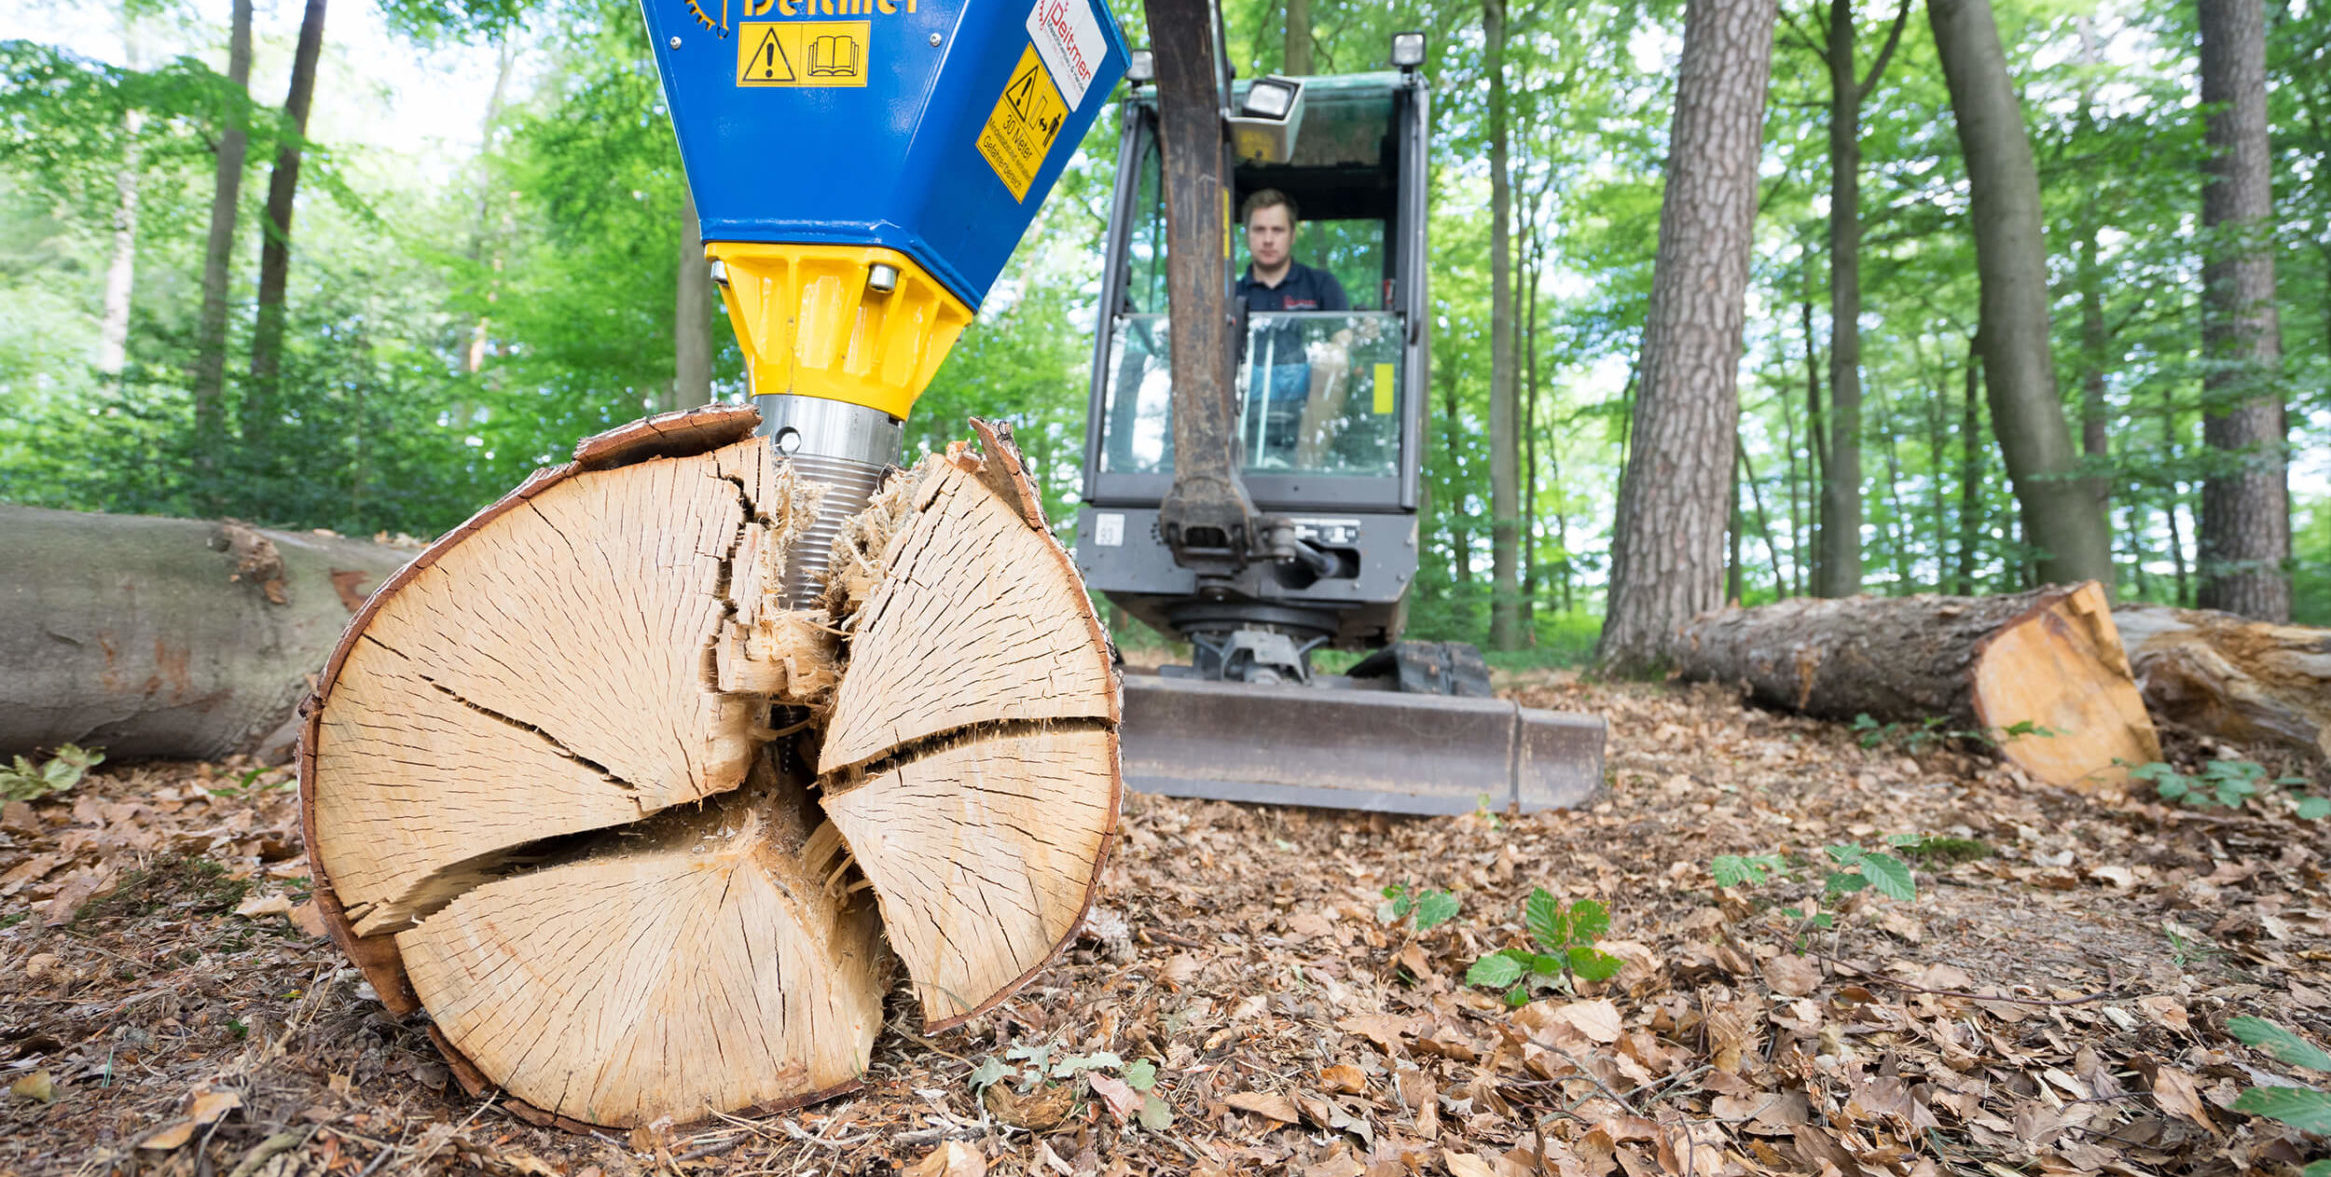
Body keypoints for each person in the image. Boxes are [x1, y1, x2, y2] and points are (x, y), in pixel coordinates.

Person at [1234, 190, 1352, 467]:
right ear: (1246, 234)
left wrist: (1354, 339)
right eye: (1259, 229)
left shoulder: (1321, 285)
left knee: (1334, 357)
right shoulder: (1230, 292)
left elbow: (1343, 339)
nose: (1268, 239)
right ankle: (1230, 473)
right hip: (1245, 381)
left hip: (1305, 379)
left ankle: (1306, 470)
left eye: (1277, 229)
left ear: (1292, 234)